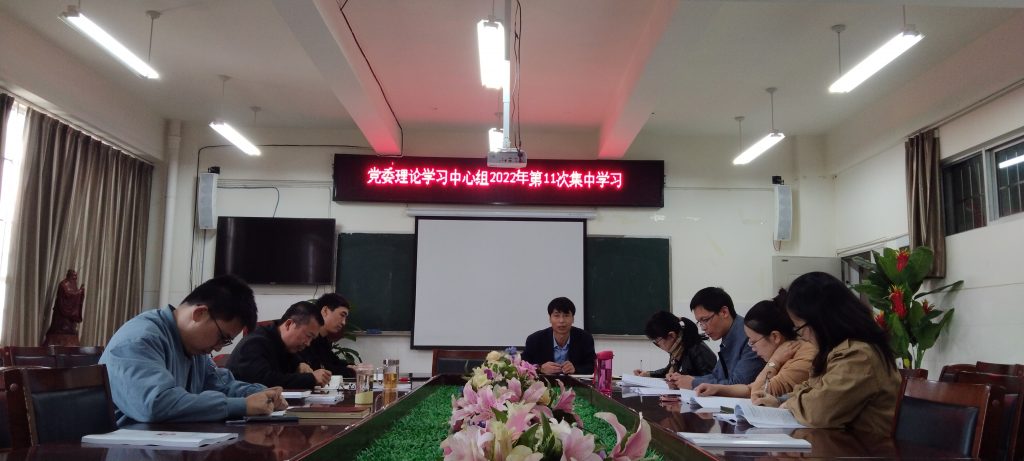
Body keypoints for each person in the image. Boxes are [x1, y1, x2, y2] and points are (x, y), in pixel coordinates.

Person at [99, 275, 286, 426]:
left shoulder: (193, 347)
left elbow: (220, 384)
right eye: (222, 337)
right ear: (200, 313)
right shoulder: (140, 340)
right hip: (127, 448)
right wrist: (242, 406)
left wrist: (262, 394)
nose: (219, 347)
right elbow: (156, 404)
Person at [752, 272, 900, 436]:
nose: (803, 336)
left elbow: (818, 411)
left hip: (869, 447)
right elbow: (811, 389)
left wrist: (788, 404)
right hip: (844, 443)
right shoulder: (837, 351)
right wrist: (779, 402)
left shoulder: (859, 355)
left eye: (800, 328)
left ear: (821, 320)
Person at [693, 290, 816, 399]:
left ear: (775, 336)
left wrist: (774, 362)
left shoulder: (802, 356)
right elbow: (750, 388)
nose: (752, 348)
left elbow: (757, 392)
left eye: (753, 342)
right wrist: (718, 389)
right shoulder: (784, 352)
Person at [666, 287, 765, 389]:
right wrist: (685, 379)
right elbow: (717, 376)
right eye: (700, 322)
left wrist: (694, 383)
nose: (703, 328)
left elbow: (739, 384)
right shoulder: (729, 334)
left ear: (724, 312)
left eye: (705, 320)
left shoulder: (750, 337)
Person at [227, 301, 331, 389]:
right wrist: (311, 379)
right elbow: (263, 381)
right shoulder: (255, 343)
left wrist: (299, 365)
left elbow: (293, 369)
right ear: (289, 324)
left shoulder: (286, 346)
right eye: (308, 336)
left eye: (312, 339)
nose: (308, 343)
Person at [522, 297, 596, 375]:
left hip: (573, 382)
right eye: (556, 316)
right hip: (545, 382)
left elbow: (592, 366)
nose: (561, 321)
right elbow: (523, 365)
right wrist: (540, 369)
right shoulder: (534, 340)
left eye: (566, 315)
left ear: (573, 319)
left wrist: (575, 369)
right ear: (550, 318)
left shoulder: (585, 338)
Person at [633, 312, 716, 379]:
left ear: (671, 336)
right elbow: (667, 370)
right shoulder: (677, 349)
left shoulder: (698, 350)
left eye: (657, 342)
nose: (658, 346)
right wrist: (647, 374)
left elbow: (712, 381)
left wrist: (683, 379)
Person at [296, 293, 355, 378]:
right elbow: (322, 369)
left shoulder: (322, 339)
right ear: (325, 311)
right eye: (342, 315)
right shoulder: (305, 338)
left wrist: (353, 367)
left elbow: (334, 362)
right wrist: (352, 371)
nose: (343, 322)